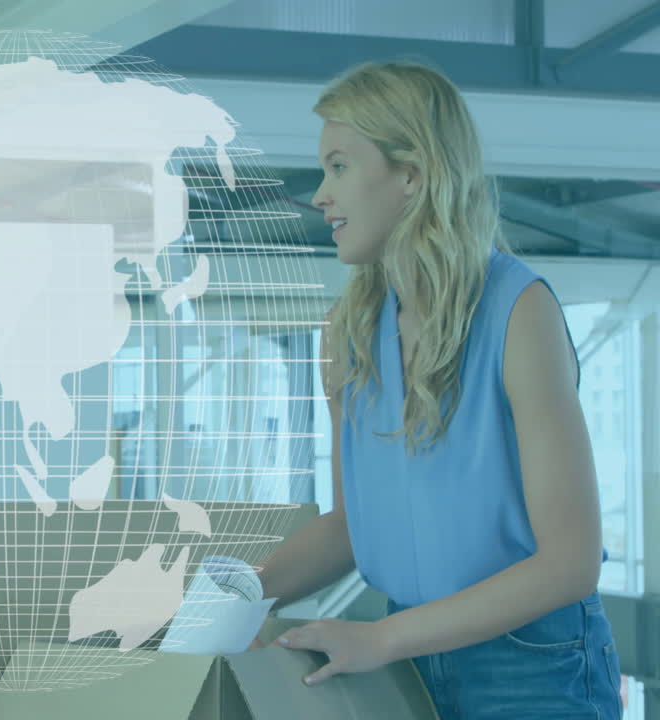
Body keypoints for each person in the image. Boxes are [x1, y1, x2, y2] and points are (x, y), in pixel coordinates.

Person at [253, 62, 621, 719]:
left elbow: (571, 562)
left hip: (528, 662)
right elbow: (349, 528)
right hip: (407, 652)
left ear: (413, 175)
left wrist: (381, 639)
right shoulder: (349, 334)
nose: (320, 196)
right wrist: (233, 599)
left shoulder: (519, 310)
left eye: (339, 167)